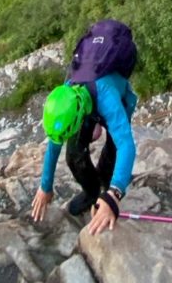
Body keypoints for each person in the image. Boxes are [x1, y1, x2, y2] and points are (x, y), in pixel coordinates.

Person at [31, 20, 138, 237]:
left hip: (114, 99)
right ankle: (92, 192)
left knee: (114, 151)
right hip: (88, 103)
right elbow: (54, 145)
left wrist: (113, 195)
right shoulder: (67, 97)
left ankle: (108, 186)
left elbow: (126, 145)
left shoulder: (108, 98)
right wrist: (45, 187)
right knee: (73, 156)